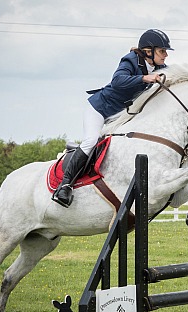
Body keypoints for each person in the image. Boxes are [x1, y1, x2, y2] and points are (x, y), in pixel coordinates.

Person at [52, 29, 173, 207]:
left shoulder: (160, 68)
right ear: (149, 51)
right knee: (91, 141)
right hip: (100, 109)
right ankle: (65, 186)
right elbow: (118, 81)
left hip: (121, 116)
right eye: (162, 51)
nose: (166, 55)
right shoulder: (130, 60)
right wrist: (145, 78)